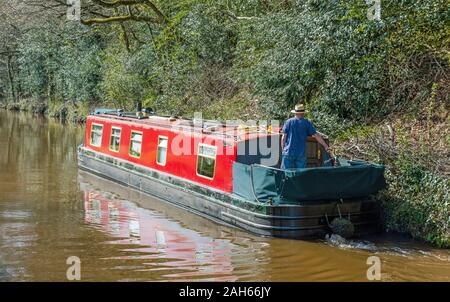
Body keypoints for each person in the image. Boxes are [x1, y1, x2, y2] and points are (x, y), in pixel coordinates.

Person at [281, 104, 332, 169]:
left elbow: (283, 137)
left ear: (295, 113)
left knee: (286, 173)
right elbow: (316, 135)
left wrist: (283, 149)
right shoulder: (307, 123)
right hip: (301, 154)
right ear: (303, 113)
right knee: (301, 174)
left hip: (288, 152)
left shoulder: (288, 122)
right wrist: (326, 146)